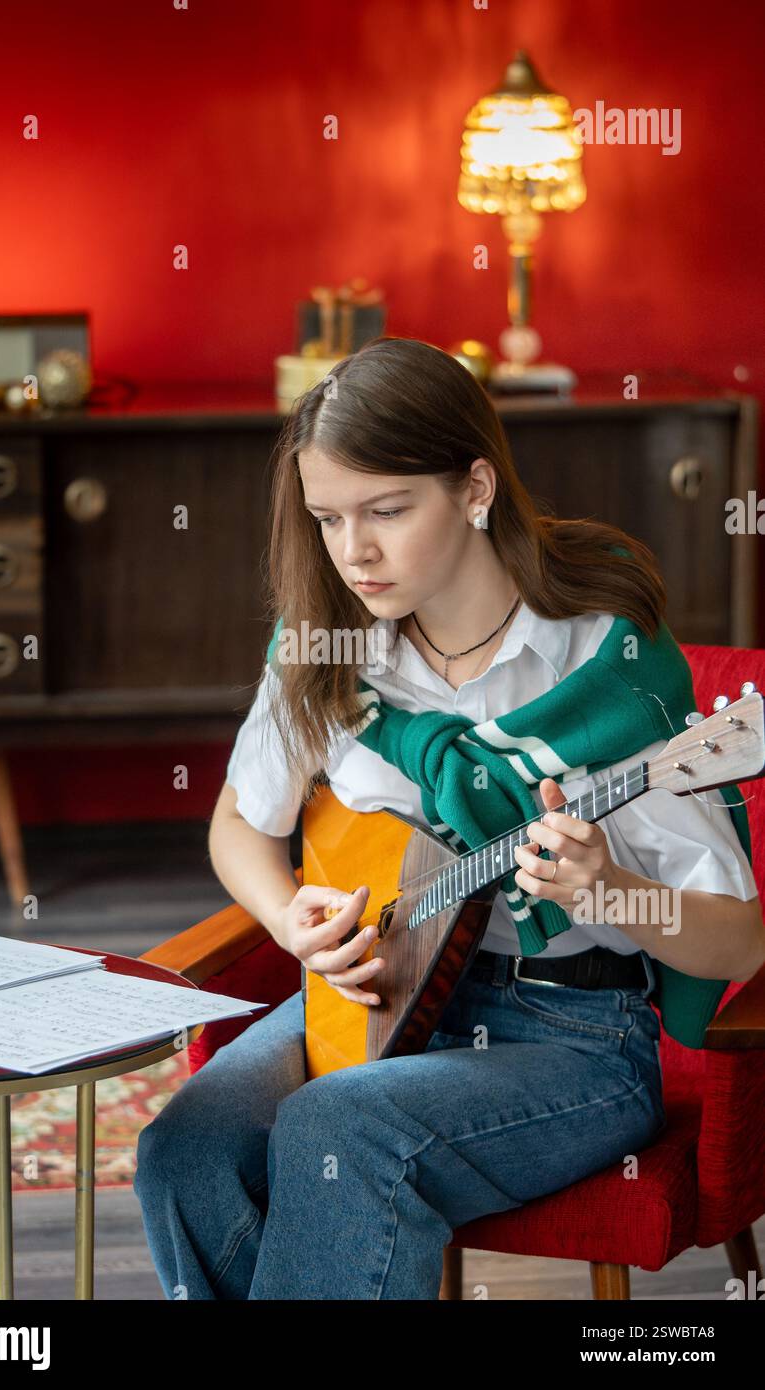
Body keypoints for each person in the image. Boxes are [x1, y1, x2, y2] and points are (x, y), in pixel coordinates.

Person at [133, 337, 764, 1300]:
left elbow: (738, 944)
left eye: (387, 510)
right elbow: (238, 821)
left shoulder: (604, 664)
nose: (355, 552)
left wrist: (611, 890)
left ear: (475, 488)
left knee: (342, 1128)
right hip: (380, 1000)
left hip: (574, 1038)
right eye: (329, 518)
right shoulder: (331, 646)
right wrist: (284, 917)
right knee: (187, 1147)